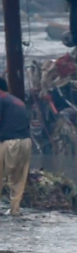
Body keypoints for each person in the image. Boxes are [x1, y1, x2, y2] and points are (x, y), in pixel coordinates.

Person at [0, 78, 31, 217]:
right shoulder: (17, 101)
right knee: (19, 179)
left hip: (9, 142)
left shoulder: (1, 99)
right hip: (26, 142)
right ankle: (15, 210)